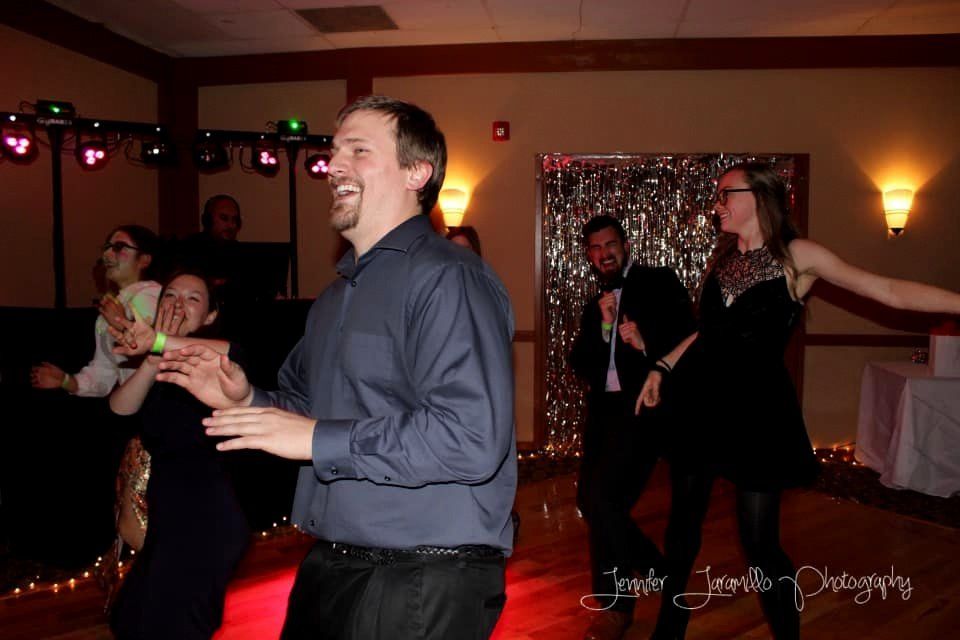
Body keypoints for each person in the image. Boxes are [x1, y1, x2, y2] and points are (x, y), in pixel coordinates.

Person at [155, 95, 517, 640]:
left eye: (358, 151)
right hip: (335, 559)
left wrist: (320, 439)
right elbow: (308, 408)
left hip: (426, 572)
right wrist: (246, 399)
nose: (333, 166)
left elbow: (469, 436)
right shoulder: (332, 299)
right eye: (334, 151)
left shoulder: (448, 278)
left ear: (417, 173)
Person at [636, 161, 960, 640]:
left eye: (725, 193)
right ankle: (670, 625)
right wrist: (663, 365)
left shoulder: (796, 255)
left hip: (758, 414)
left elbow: (887, 289)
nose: (716, 204)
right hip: (701, 406)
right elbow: (708, 333)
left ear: (759, 196)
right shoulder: (724, 260)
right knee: (682, 529)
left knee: (760, 544)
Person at [569, 215, 695, 640]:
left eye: (610, 244)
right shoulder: (597, 302)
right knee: (594, 502)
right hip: (603, 416)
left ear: (625, 245)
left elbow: (690, 340)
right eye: (595, 248)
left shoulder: (659, 282)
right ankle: (660, 574)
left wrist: (646, 345)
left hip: (642, 410)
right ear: (589, 255)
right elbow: (581, 363)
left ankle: (616, 608)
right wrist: (605, 329)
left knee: (603, 500)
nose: (603, 253)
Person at [106, 270, 249, 640]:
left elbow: (234, 352)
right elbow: (120, 409)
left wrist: (160, 341)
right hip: (167, 518)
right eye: (170, 295)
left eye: (193, 298)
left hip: (206, 520)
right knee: (131, 618)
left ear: (211, 315)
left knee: (172, 627)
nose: (178, 304)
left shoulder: (217, 359)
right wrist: (153, 358)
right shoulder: (158, 363)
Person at [29, 225, 161, 559]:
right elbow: (103, 374)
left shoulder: (152, 295)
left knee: (148, 503)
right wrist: (66, 381)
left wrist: (123, 321)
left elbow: (155, 343)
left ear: (145, 259)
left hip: (160, 411)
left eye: (120, 247)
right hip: (135, 415)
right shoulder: (110, 311)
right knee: (132, 505)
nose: (108, 254)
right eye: (107, 246)